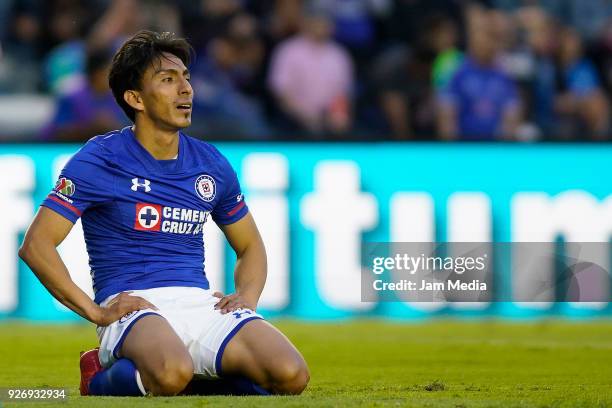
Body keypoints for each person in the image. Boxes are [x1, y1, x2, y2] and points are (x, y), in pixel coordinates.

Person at [18, 30, 309, 397]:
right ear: (135, 98)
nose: (186, 89)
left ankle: (194, 378)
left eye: (185, 77)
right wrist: (96, 312)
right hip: (134, 306)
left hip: (201, 304)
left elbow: (250, 245)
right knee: (171, 372)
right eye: (168, 80)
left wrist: (246, 299)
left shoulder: (210, 162)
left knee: (290, 375)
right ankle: (97, 377)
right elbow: (36, 245)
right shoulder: (100, 158)